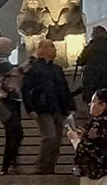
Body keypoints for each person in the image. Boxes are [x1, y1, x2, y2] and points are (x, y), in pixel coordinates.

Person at [21, 38, 74, 174]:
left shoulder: (56, 69)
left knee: (56, 140)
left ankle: (50, 167)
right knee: (50, 137)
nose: (55, 50)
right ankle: (41, 166)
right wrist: (30, 108)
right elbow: (25, 88)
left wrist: (69, 106)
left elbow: (63, 88)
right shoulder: (34, 69)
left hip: (58, 107)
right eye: (52, 47)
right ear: (44, 50)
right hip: (42, 108)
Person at [0, 36, 23, 174]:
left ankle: (11, 164)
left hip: (8, 100)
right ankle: (8, 165)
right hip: (8, 101)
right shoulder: (2, 63)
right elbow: (14, 71)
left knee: (14, 134)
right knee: (15, 133)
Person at [73, 25, 107, 107]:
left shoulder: (90, 46)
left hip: (91, 76)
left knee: (92, 100)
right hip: (105, 74)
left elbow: (81, 61)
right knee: (105, 99)